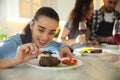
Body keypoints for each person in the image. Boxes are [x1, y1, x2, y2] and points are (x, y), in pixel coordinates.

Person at [0, 7, 73, 69]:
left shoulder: (46, 43)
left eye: (51, 33)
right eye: (41, 30)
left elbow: (60, 45)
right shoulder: (11, 44)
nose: (45, 38)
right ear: (31, 25)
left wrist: (65, 48)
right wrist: (15, 60)